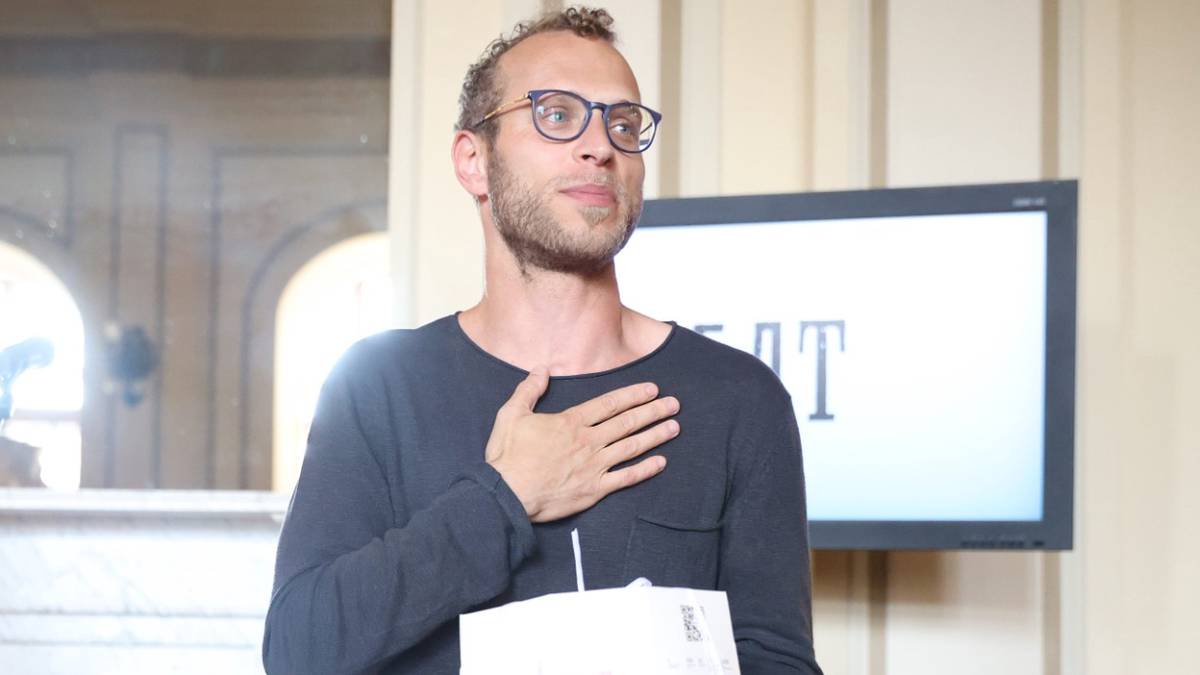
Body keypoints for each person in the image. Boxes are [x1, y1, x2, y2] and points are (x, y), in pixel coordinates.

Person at [263, 7, 822, 674]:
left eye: (623, 124)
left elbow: (778, 660)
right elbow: (299, 650)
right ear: (474, 161)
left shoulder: (739, 398)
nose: (601, 146)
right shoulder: (378, 384)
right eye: (557, 115)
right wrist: (503, 498)